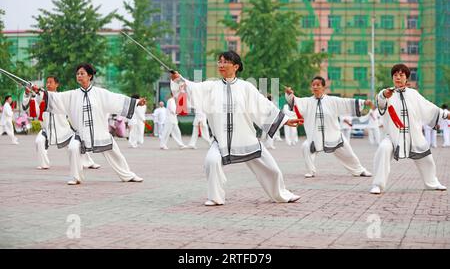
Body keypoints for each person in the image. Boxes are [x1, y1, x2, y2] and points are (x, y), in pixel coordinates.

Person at [170, 50, 302, 206]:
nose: (221, 65)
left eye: (226, 62)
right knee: (211, 161)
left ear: (236, 66)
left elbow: (263, 107)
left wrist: (285, 121)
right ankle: (215, 197)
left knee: (272, 169)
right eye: (220, 61)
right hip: (221, 141)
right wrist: (178, 80)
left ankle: (282, 194)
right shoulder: (211, 86)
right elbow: (191, 88)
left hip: (246, 138)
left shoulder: (246, 87)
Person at [31, 63, 145, 185]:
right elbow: (56, 98)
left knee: (114, 152)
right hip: (81, 133)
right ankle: (76, 177)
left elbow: (117, 99)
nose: (79, 76)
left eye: (82, 73)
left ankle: (127, 175)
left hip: (100, 132)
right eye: (77, 74)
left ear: (90, 76)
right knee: (73, 147)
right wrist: (40, 92)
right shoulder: (72, 95)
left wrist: (136, 102)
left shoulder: (100, 93)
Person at [370, 63, 447, 194]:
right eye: (395, 75)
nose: (398, 77)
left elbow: (429, 108)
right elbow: (380, 102)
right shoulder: (387, 93)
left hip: (414, 136)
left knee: (427, 158)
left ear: (406, 78)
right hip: (393, 136)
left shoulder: (413, 94)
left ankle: (432, 183)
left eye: (401, 75)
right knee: (383, 148)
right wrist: (383, 95)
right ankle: (378, 185)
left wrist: (446, 114)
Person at [285, 77, 373, 178]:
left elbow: (347, 102)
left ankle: (359, 170)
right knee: (306, 146)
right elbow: (295, 102)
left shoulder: (332, 101)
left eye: (318, 85)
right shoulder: (307, 102)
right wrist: (289, 94)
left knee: (349, 153)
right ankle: (311, 171)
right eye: (313, 85)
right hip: (315, 137)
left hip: (333, 135)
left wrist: (363, 102)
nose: (315, 87)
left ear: (323, 87)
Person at [23, 76, 100, 170]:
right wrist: (27, 94)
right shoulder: (40, 97)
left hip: (63, 129)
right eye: (47, 82)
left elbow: (53, 100)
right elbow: (26, 106)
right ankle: (44, 164)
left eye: (50, 82)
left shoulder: (61, 97)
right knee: (39, 141)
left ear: (57, 84)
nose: (48, 84)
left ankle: (89, 163)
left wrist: (40, 91)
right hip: (47, 130)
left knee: (76, 145)